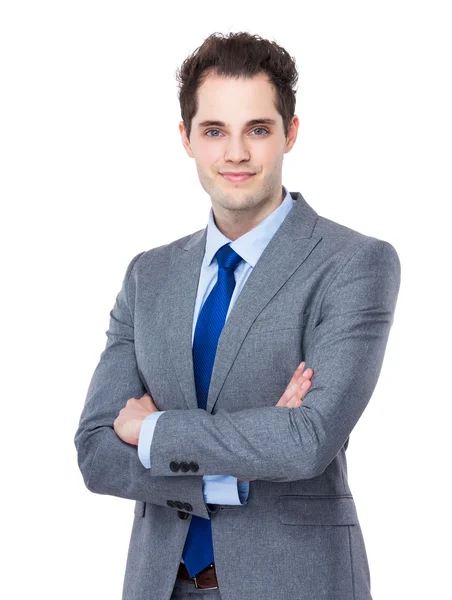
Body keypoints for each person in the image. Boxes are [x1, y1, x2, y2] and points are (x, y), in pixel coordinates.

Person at [74, 31, 401, 600]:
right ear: (186, 139)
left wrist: (150, 430)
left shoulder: (355, 264)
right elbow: (97, 452)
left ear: (290, 133)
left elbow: (306, 440)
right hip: (160, 585)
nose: (236, 154)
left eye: (257, 129)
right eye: (214, 131)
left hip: (295, 584)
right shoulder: (147, 276)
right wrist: (242, 459)